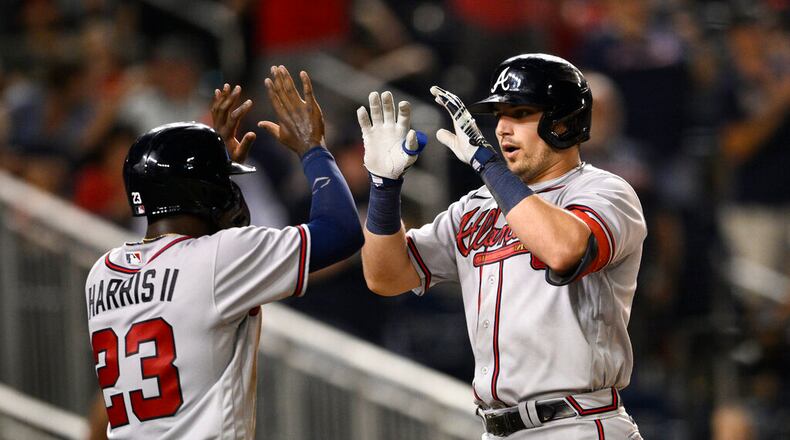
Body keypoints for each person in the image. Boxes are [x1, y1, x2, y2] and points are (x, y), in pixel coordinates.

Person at [358, 53, 646, 438]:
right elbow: (386, 276)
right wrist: (383, 187)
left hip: (576, 422)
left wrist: (487, 165)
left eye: (520, 113)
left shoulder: (604, 191)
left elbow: (564, 250)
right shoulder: (475, 206)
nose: (503, 129)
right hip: (496, 428)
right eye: (500, 116)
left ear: (562, 121)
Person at [84, 66, 363, 438]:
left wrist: (208, 163)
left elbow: (196, 275)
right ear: (197, 194)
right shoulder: (219, 259)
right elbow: (342, 232)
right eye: (218, 183)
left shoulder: (102, 272)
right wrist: (313, 149)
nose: (227, 191)